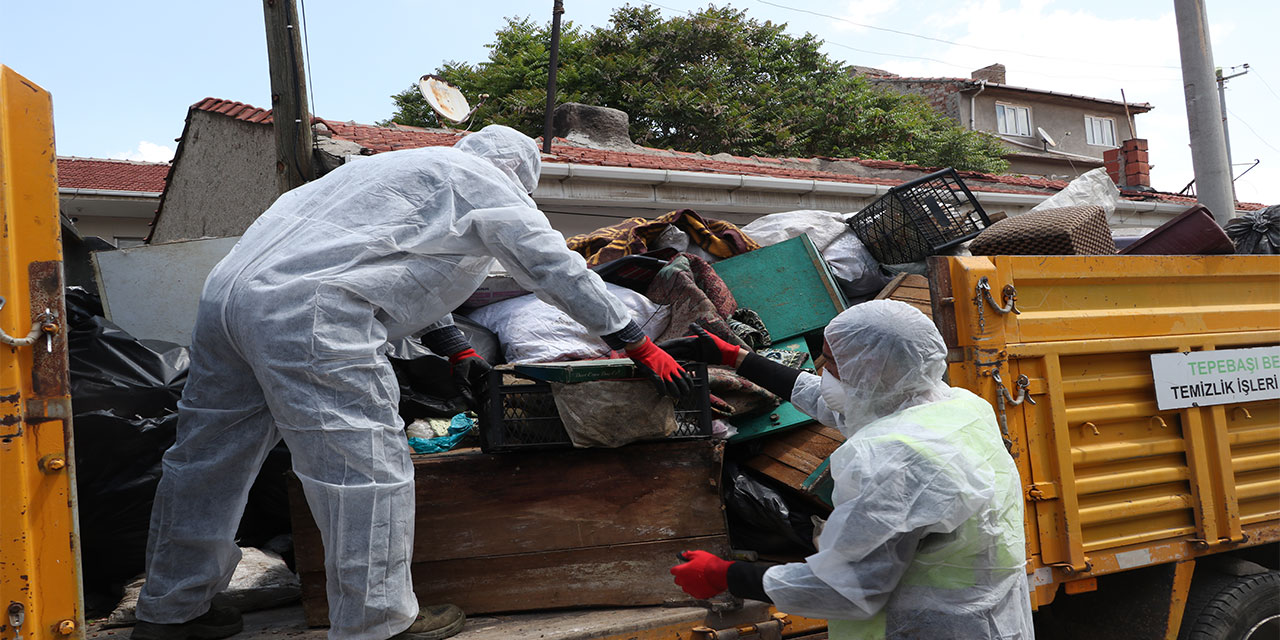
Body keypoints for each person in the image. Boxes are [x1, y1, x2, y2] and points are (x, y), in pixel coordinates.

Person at [131, 125, 692, 640]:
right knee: (361, 466)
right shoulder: (483, 182)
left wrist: (456, 347)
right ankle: (376, 622)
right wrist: (629, 337)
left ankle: (172, 608)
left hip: (226, 300)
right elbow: (550, 265)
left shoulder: (384, 172)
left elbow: (391, 261)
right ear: (521, 176)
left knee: (205, 461)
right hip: (312, 311)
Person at [664, 300, 1033, 639]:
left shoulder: (892, 457)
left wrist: (725, 575)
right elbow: (838, 404)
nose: (824, 372)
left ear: (871, 369)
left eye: (832, 361)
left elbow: (845, 587)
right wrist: (736, 357)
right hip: (987, 618)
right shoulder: (959, 408)